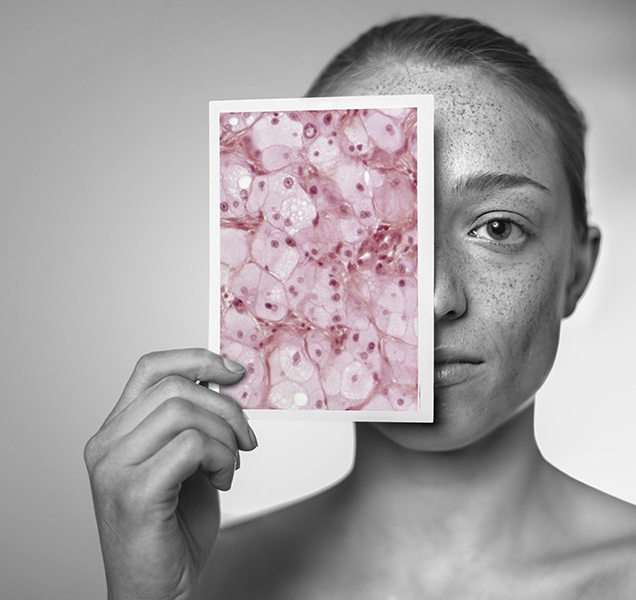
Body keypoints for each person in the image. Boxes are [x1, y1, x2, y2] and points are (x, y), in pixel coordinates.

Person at [84, 15, 636, 599]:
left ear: (577, 269)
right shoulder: (195, 583)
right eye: (365, 225)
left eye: (498, 227)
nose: (436, 298)